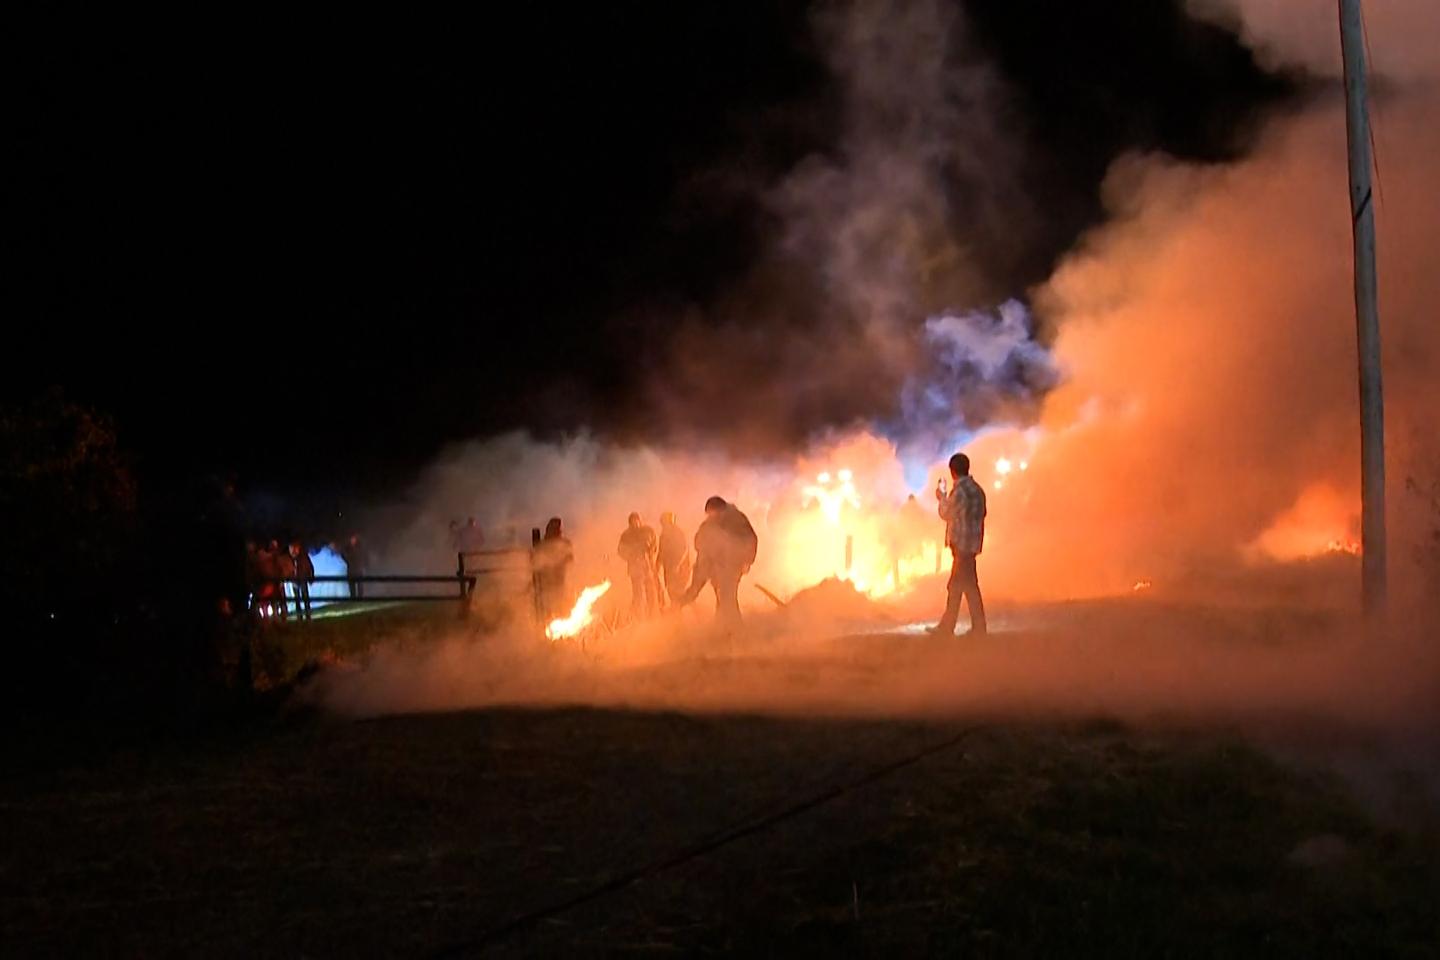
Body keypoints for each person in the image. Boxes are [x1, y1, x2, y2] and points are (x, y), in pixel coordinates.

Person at [679, 496, 757, 631]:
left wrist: (747, 561)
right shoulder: (710, 524)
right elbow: (699, 542)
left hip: (731, 567)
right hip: (713, 568)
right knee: (721, 600)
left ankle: (737, 632)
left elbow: (750, 540)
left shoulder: (736, 520)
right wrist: (703, 564)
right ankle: (723, 631)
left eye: (711, 513)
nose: (710, 516)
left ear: (720, 509)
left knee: (728, 600)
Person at [931, 452, 987, 638]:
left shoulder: (960, 491)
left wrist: (941, 497)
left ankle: (948, 628)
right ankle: (975, 627)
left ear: (953, 471)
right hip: (971, 545)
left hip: (961, 547)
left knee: (957, 586)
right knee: (968, 586)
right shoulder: (978, 490)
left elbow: (946, 514)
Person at [617, 512, 660, 619]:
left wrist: (651, 551)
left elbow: (654, 544)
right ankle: (639, 616)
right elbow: (621, 551)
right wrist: (631, 555)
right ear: (630, 523)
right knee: (638, 594)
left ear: (640, 520)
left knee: (651, 592)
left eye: (637, 520)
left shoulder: (648, 531)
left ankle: (652, 615)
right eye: (633, 521)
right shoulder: (626, 535)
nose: (635, 523)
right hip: (635, 569)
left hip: (648, 566)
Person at [533, 516, 574, 620]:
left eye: (557, 527)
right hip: (546, 583)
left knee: (560, 605)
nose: (556, 530)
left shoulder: (564, 543)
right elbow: (536, 561)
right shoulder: (543, 545)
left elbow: (570, 560)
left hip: (559, 580)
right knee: (547, 607)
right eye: (553, 527)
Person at [658, 511, 690, 608]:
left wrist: (678, 564)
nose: (663, 524)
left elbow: (684, 549)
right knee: (671, 591)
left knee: (679, 592)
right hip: (668, 567)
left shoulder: (678, 533)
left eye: (664, 522)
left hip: (680, 568)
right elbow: (661, 551)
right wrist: (657, 564)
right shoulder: (663, 535)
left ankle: (699, 613)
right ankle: (677, 616)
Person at [289, 541, 316, 620]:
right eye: (292, 548)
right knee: (297, 599)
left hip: (302, 579)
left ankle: (308, 615)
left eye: (295, 548)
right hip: (294, 581)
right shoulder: (290, 559)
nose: (294, 550)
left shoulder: (303, 557)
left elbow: (310, 567)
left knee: (305, 598)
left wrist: (311, 577)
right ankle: (299, 616)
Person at [271, 539, 295, 621]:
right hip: (274, 582)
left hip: (278, 582)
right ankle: (278, 615)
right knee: (275, 599)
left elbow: (282, 569)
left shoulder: (279, 557)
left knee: (280, 599)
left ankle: (282, 614)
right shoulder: (273, 557)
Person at [341, 533, 368, 599]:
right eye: (351, 539)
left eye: (353, 538)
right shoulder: (347, 548)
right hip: (351, 569)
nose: (352, 540)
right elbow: (344, 555)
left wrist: (363, 565)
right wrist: (348, 561)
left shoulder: (359, 548)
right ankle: (353, 598)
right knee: (352, 586)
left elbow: (363, 557)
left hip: (358, 569)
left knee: (360, 585)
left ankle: (360, 598)